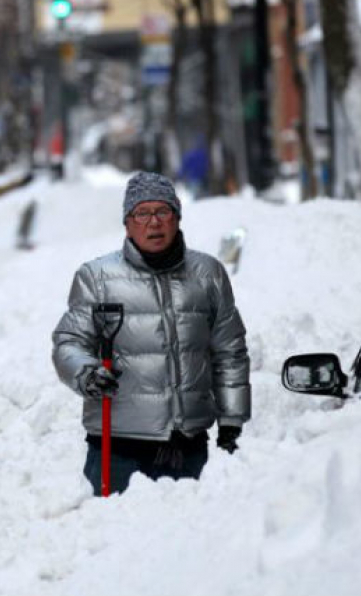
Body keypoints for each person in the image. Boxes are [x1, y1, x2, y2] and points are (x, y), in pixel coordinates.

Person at [52, 171, 251, 496]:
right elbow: (69, 344)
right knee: (114, 539)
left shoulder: (207, 273)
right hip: (117, 448)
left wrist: (231, 419)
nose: (153, 222)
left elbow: (229, 350)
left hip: (188, 446)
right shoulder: (97, 277)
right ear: (128, 223)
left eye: (163, 211)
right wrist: (86, 374)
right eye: (142, 213)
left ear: (177, 217)